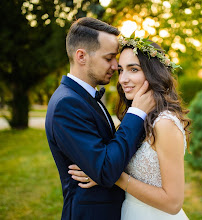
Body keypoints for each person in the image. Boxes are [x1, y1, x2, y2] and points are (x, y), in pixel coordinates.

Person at [45, 17, 155, 220]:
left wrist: (97, 169)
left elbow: (106, 161)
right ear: (81, 56)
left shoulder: (84, 97)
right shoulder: (66, 104)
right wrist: (136, 113)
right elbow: (105, 169)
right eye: (109, 58)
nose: (115, 66)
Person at [69, 36, 191, 219]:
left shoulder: (165, 124)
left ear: (153, 73)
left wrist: (109, 176)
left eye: (133, 69)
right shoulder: (136, 117)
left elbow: (173, 203)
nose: (123, 79)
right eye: (120, 71)